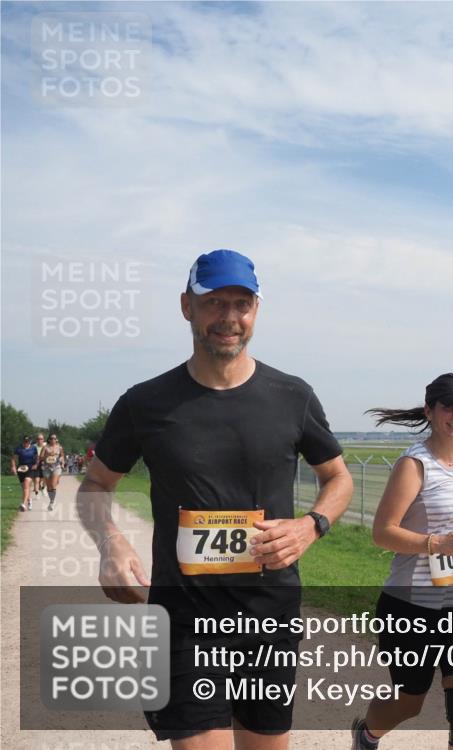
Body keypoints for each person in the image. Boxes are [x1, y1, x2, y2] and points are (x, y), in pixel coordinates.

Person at [76, 249, 354, 748]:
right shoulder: (145, 402)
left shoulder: (293, 396)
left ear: (256, 311)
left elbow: (338, 479)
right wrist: (109, 542)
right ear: (187, 306)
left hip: (270, 616)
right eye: (214, 303)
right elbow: (95, 485)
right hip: (183, 621)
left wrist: (311, 526)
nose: (229, 317)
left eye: (242, 304)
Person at [352, 373, 453, 750]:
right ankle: (367, 734)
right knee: (409, 703)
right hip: (411, 606)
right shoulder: (414, 464)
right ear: (430, 411)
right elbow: (382, 532)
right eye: (450, 407)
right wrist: (436, 543)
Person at [38, 433, 66, 511]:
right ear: (49, 439)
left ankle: (52, 502)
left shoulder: (59, 447)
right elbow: (40, 457)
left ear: (56, 439)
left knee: (53, 485)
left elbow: (62, 456)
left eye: (54, 438)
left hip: (56, 467)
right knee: (49, 486)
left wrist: (62, 461)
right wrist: (48, 455)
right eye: (51, 438)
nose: (53, 440)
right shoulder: (45, 447)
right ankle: (51, 499)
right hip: (46, 467)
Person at [11, 435, 38, 511]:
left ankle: (23, 504)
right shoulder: (18, 448)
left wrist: (36, 464)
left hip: (30, 468)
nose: (26, 443)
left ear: (30, 441)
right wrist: (13, 467)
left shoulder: (33, 448)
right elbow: (13, 458)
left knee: (26, 483)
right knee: (25, 488)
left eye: (27, 441)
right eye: (25, 441)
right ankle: (29, 500)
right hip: (21, 469)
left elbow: (37, 458)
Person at [31, 432, 46, 507]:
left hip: (44, 464)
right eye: (38, 439)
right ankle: (37, 494)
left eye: (41, 439)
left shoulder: (46, 445)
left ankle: (43, 488)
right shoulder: (33, 446)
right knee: (36, 480)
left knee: (44, 478)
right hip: (36, 464)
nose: (39, 440)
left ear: (43, 439)